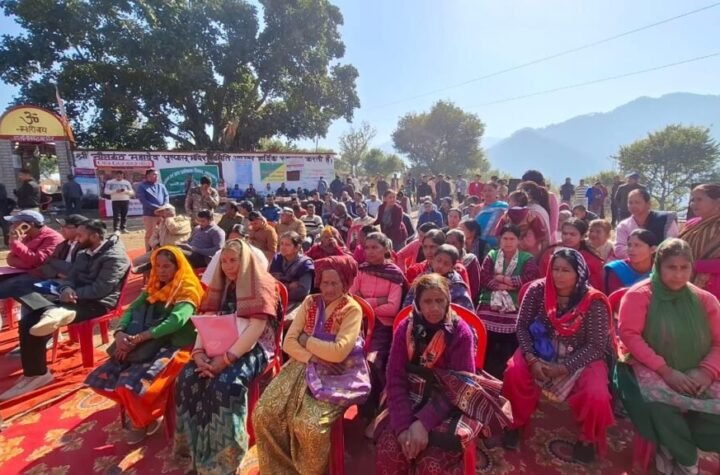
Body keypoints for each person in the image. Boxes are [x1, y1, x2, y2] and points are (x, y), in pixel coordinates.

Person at [374, 273, 511, 474]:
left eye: (440, 301)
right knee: (391, 449)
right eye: (427, 301)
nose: (435, 308)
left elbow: (461, 385)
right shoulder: (406, 328)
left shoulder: (460, 332)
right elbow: (395, 377)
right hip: (411, 393)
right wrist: (403, 427)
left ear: (448, 301)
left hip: (451, 400)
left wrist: (423, 423)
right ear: (417, 303)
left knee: (433, 462)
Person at [175, 239, 281, 473]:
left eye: (233, 260)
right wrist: (198, 353)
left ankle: (227, 458)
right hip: (218, 341)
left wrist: (225, 360)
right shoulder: (221, 284)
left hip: (253, 346)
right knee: (187, 379)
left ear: (245, 261)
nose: (228, 266)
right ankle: (195, 451)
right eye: (223, 261)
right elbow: (206, 319)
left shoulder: (261, 283)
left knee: (225, 385)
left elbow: (255, 329)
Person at [615, 239, 720, 474]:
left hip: (697, 371)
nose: (678, 275)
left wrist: (706, 371)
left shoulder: (705, 300)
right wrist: (666, 371)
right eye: (672, 267)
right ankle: (687, 459)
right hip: (649, 367)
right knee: (657, 404)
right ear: (658, 266)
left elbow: (719, 342)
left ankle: (675, 442)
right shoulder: (639, 295)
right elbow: (630, 336)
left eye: (684, 268)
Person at [501, 248, 614, 463]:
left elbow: (596, 346)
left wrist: (564, 367)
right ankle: (514, 424)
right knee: (514, 373)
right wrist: (531, 358)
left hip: (581, 354)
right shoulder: (538, 290)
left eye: (566, 270)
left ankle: (587, 438)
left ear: (579, 273)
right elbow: (522, 326)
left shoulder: (593, 301)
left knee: (596, 393)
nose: (558, 275)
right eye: (555, 269)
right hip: (540, 348)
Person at [254, 255, 363, 475]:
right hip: (303, 364)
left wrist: (306, 340)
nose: (328, 289)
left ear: (345, 283)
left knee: (309, 426)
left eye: (334, 283)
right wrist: (314, 357)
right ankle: (281, 469)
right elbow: (288, 343)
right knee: (263, 413)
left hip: (337, 373)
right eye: (324, 282)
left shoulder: (352, 309)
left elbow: (338, 352)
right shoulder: (310, 302)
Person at [0, 220, 130, 400]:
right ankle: (36, 372)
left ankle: (37, 371)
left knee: (35, 317)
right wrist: (66, 288)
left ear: (95, 236)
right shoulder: (84, 253)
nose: (77, 239)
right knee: (29, 319)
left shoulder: (115, 257)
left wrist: (72, 293)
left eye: (80, 235)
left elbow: (100, 290)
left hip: (98, 303)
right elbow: (70, 278)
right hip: (74, 298)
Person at [85, 247, 203, 443]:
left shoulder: (187, 289)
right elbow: (132, 309)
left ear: (178, 267)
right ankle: (144, 413)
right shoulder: (154, 285)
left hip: (177, 346)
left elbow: (176, 321)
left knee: (131, 385)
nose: (161, 271)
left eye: (167, 266)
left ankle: (143, 419)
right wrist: (120, 333)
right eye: (158, 266)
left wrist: (141, 337)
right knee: (99, 379)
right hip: (146, 342)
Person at [349, 232, 405, 424]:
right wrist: (378, 300)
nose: (370, 252)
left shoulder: (394, 274)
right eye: (367, 247)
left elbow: (392, 309)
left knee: (372, 362)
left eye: (375, 247)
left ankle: (379, 408)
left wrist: (366, 302)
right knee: (349, 358)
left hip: (383, 328)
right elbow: (351, 298)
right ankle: (363, 408)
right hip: (360, 323)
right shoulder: (361, 270)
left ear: (386, 249)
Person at [476, 224, 539, 378]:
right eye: (505, 238)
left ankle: (507, 376)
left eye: (512, 239)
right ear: (500, 240)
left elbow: (529, 278)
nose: (508, 242)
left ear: (518, 240)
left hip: (515, 303)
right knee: (487, 342)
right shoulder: (492, 255)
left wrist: (503, 279)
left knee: (509, 345)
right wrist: (503, 286)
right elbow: (484, 276)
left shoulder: (527, 258)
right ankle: (485, 375)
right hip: (490, 301)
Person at [0, 214, 86, 299]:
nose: (13, 226)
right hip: (42, 274)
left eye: (66, 227)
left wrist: (16, 243)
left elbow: (39, 262)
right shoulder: (64, 244)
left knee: (17, 285)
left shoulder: (53, 238)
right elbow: (11, 259)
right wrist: (55, 271)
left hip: (60, 282)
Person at [678, 184, 720, 299]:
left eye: (699, 199)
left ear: (717, 202)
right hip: (682, 283)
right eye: (693, 200)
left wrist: (694, 265)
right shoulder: (691, 224)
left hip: (713, 290)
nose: (693, 204)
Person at [538, 218, 605, 291]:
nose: (567, 237)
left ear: (582, 237)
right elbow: (542, 278)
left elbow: (596, 287)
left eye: (572, 234)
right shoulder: (550, 253)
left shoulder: (591, 260)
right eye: (565, 233)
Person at [403, 244, 474, 311]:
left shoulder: (457, 286)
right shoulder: (421, 280)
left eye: (446, 264)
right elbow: (408, 306)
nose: (440, 266)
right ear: (433, 259)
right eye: (438, 260)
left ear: (452, 267)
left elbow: (465, 313)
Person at [614, 189, 678, 259]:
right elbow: (618, 250)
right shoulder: (624, 225)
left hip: (660, 263)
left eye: (637, 202)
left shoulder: (665, 220)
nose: (633, 206)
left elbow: (673, 246)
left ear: (648, 204)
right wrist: (644, 251)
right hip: (633, 264)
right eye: (630, 203)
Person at [133, 204, 192, 269]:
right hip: (161, 250)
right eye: (161, 212)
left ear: (171, 211)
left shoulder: (184, 220)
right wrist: (156, 245)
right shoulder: (162, 223)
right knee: (136, 262)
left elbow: (173, 229)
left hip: (177, 250)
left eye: (164, 212)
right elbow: (153, 237)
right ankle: (151, 273)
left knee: (161, 263)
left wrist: (169, 218)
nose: (162, 214)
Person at [269, 232, 315, 314]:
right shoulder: (277, 258)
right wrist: (289, 286)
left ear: (297, 248)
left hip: (296, 302)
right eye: (282, 243)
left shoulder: (305, 264)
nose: (283, 247)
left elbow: (303, 292)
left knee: (288, 318)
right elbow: (270, 283)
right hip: (275, 298)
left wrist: (281, 292)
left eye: (287, 245)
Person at [494, 190, 548, 257]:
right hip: (528, 253)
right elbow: (541, 234)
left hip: (509, 250)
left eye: (509, 201)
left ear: (515, 202)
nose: (508, 203)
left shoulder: (506, 216)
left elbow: (497, 232)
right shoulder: (531, 215)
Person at [604, 228, 657, 295]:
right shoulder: (617, 269)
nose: (631, 249)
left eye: (637, 245)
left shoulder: (659, 270)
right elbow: (615, 298)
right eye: (629, 245)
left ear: (652, 249)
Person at [521, 170, 559, 245]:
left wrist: (547, 242)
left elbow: (553, 223)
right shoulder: (523, 197)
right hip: (527, 241)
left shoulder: (550, 197)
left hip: (546, 241)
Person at [445, 229, 482, 303]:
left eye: (454, 243)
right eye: (448, 243)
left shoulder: (470, 259)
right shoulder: (442, 261)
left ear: (462, 244)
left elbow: (475, 286)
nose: (450, 246)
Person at [137, 169, 170, 251]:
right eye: (154, 174)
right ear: (148, 176)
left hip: (162, 214)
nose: (156, 176)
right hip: (149, 214)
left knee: (163, 232)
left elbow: (166, 196)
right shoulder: (142, 186)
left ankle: (161, 250)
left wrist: (164, 207)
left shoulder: (161, 186)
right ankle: (148, 251)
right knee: (150, 234)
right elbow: (143, 201)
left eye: (157, 175)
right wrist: (158, 208)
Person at [475, 183, 509, 248]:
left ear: (497, 192)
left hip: (496, 244)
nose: (487, 193)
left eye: (490, 190)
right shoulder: (477, 208)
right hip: (477, 243)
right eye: (485, 191)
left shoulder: (504, 206)